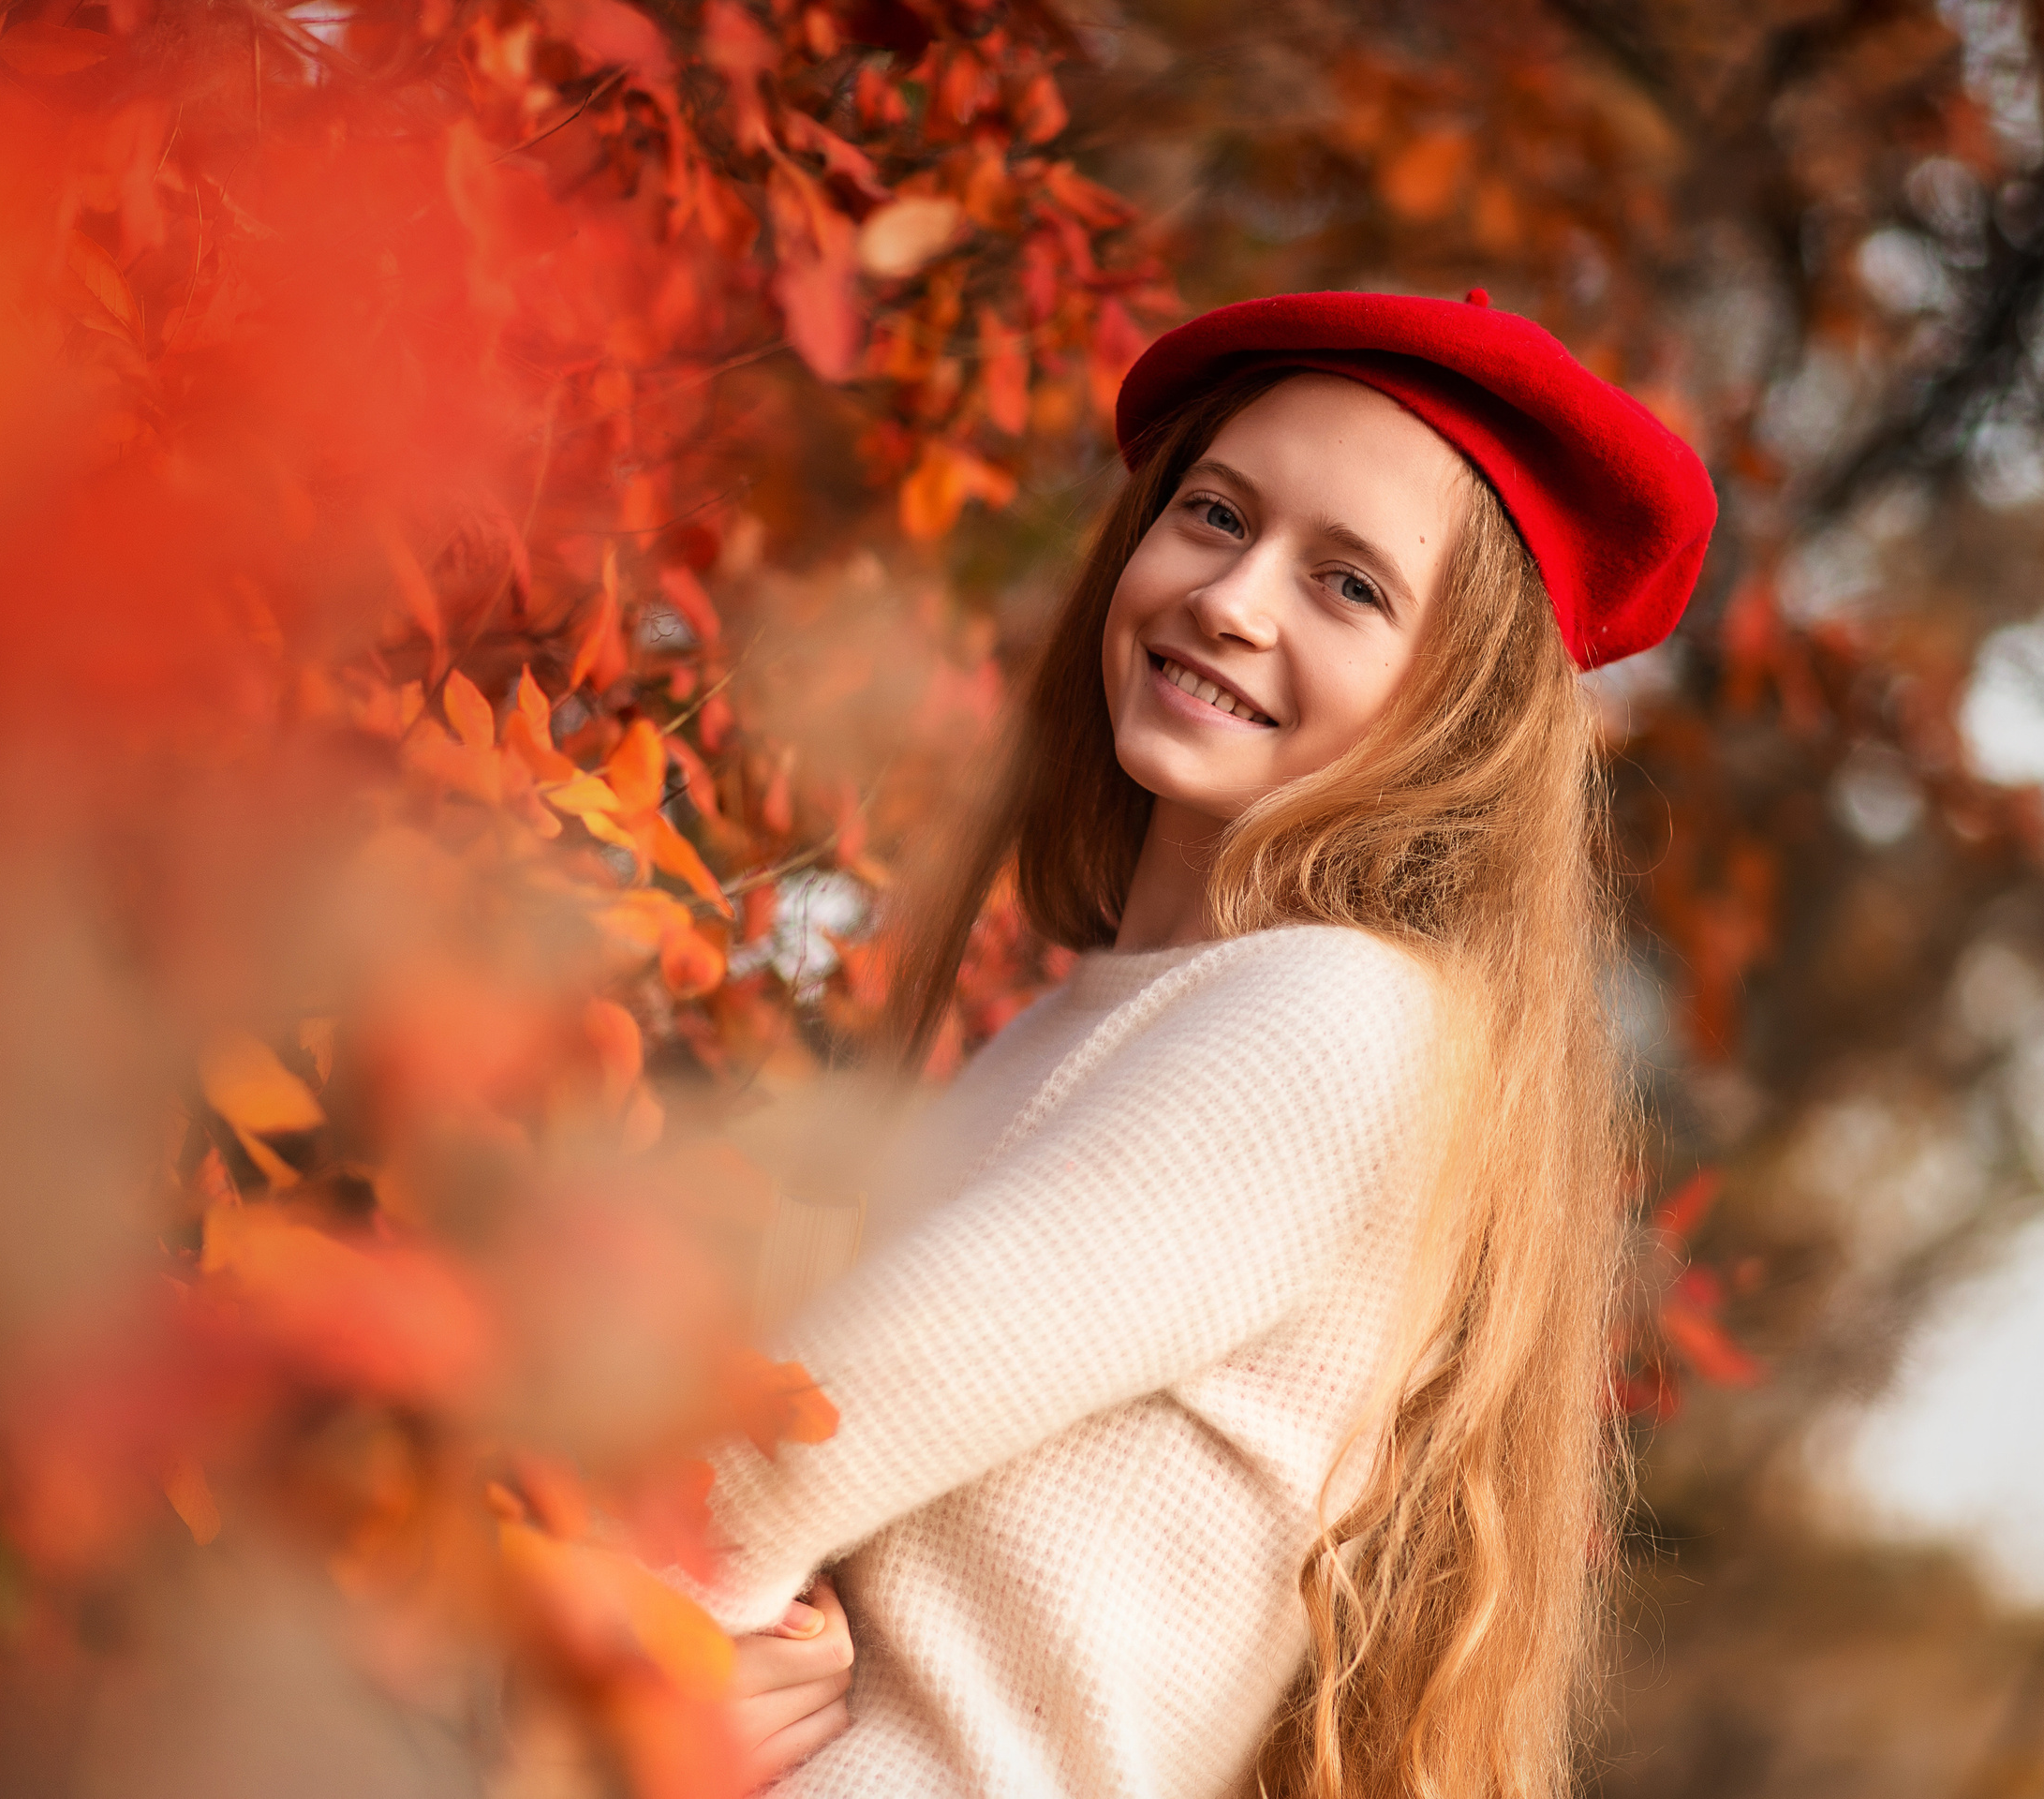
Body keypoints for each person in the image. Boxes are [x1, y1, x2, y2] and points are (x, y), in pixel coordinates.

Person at [706, 290, 1717, 1799]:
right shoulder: (1084, 1019)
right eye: (1216, 513)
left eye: (1351, 586)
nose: (1235, 599)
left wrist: (589, 1662)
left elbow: (791, 1436)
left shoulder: (1333, 1025)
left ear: (1464, 716)